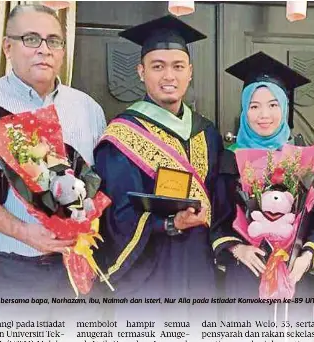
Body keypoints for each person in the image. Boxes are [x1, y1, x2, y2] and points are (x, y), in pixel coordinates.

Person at [0, 4, 106, 321]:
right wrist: (23, 231)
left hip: (77, 269)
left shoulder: (88, 108)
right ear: (7, 46)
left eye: (54, 41)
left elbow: (95, 183)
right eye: (31, 39)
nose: (44, 50)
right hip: (11, 270)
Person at [93, 15, 224, 324]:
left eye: (178, 66)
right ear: (141, 72)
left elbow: (222, 202)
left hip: (200, 270)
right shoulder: (123, 135)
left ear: (190, 72)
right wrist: (168, 223)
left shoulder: (207, 133)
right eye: (157, 66)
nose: (169, 75)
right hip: (149, 274)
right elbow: (114, 214)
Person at [211, 52, 314, 325]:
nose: (264, 115)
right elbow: (219, 217)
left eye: (273, 105)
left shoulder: (306, 160)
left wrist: (307, 254)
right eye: (254, 106)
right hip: (245, 275)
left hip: (293, 274)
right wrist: (238, 250)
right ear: (244, 110)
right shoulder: (230, 159)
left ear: (284, 108)